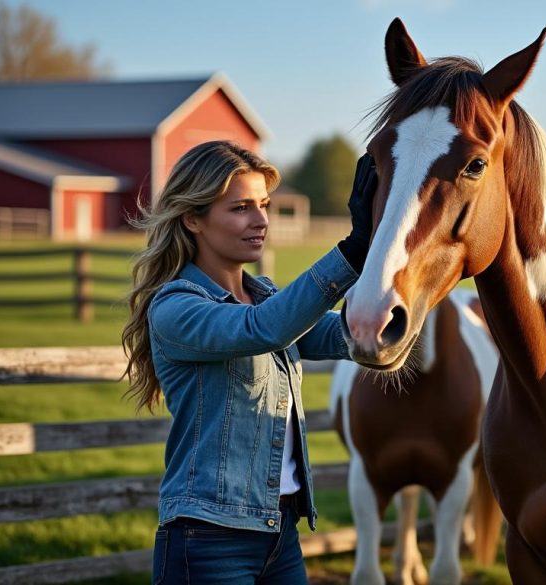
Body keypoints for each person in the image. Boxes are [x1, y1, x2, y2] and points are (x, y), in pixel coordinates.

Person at [121, 140, 376, 584]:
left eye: (264, 205)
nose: (261, 221)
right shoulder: (176, 308)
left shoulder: (267, 297)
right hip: (207, 541)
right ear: (193, 218)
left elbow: (350, 337)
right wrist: (352, 250)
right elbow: (263, 330)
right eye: (240, 208)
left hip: (281, 535)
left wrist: (411, 258)